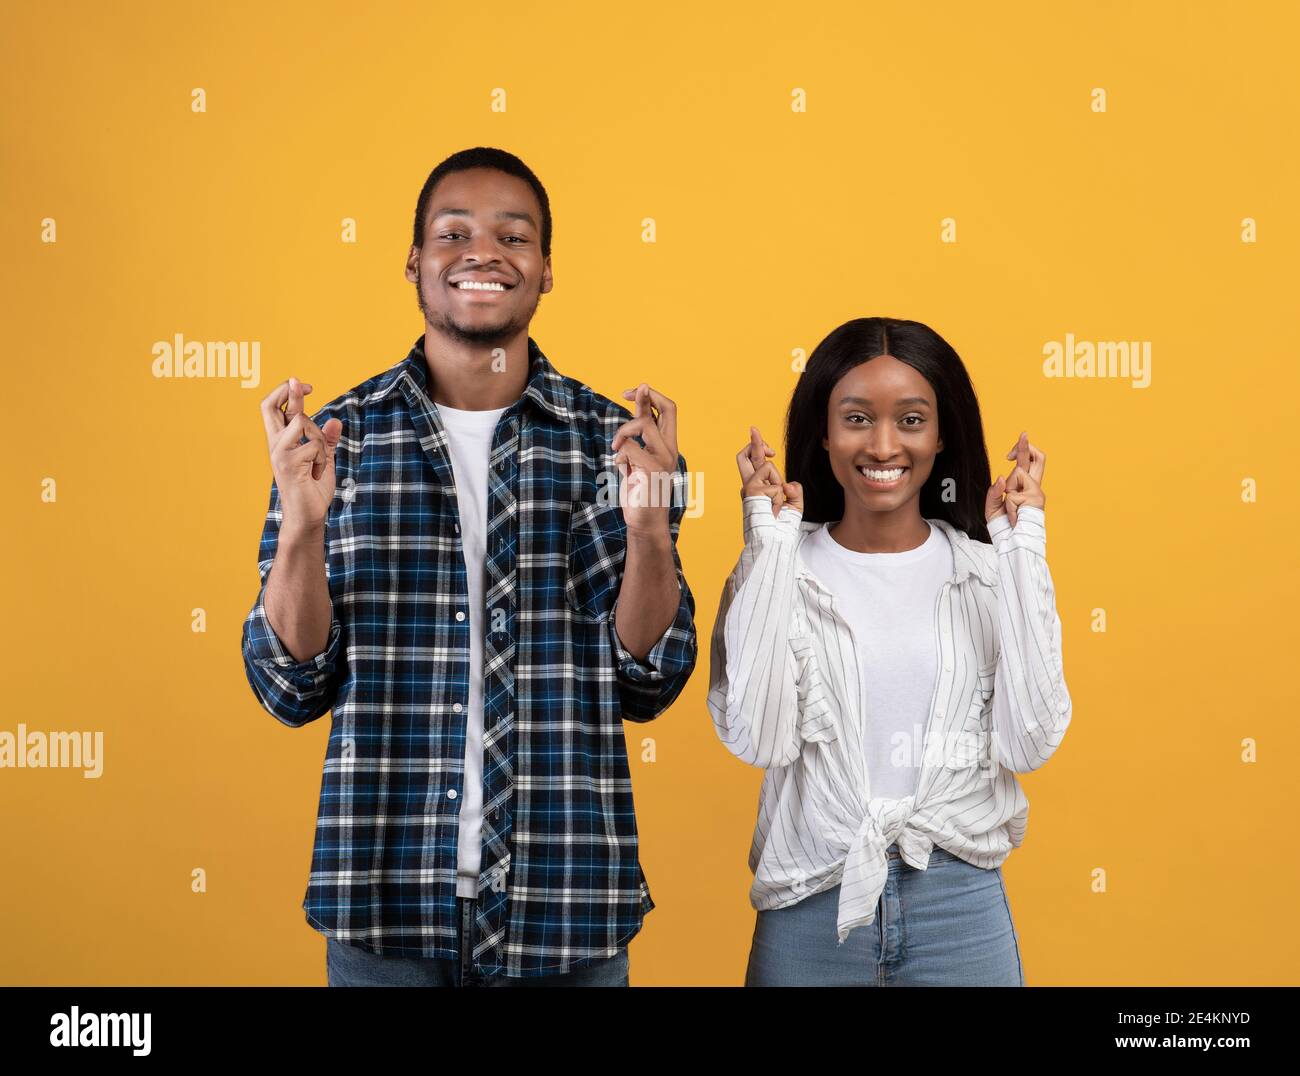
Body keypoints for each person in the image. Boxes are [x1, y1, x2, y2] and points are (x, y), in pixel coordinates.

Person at [241, 147, 697, 987]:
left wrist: (650, 533)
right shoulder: (337, 440)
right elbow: (290, 687)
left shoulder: (616, 442)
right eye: (453, 233)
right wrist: (302, 532)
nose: (482, 253)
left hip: (565, 909)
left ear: (546, 270)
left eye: (512, 236)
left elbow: (648, 682)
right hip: (384, 910)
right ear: (414, 261)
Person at [707, 316, 1071, 987]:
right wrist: (767, 537)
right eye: (856, 418)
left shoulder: (990, 573)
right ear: (823, 431)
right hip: (813, 901)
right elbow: (757, 739)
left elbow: (1030, 743)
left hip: (958, 902)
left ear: (941, 435)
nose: (882, 444)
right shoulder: (778, 570)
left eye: (910, 419)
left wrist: (1023, 545)